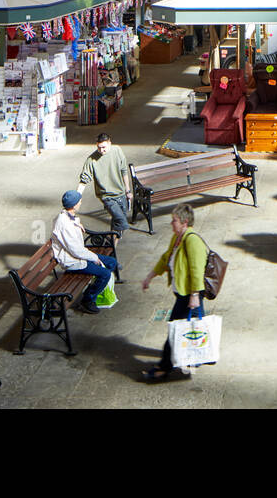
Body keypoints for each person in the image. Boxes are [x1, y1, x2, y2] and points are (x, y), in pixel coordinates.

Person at [141, 204, 209, 380]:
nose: (171, 223)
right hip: (183, 293)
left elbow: (196, 270)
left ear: (185, 222)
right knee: (194, 328)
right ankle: (198, 357)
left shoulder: (192, 241)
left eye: (175, 220)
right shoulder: (177, 237)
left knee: (175, 330)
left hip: (189, 295)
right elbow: (166, 258)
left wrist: (194, 295)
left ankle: (165, 366)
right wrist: (150, 276)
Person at [51, 190, 118, 316]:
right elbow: (75, 250)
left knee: (111, 262)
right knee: (105, 274)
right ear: (74, 204)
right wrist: (93, 258)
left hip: (78, 256)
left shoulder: (67, 216)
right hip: (72, 261)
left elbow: (72, 227)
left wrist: (78, 224)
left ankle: (95, 286)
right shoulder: (64, 224)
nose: (81, 202)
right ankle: (88, 300)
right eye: (79, 201)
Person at [79, 133, 132, 239]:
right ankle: (110, 245)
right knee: (121, 220)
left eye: (104, 147)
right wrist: (77, 197)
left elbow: (124, 171)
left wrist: (128, 190)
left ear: (109, 144)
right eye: (99, 147)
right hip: (107, 197)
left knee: (117, 226)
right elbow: (84, 180)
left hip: (120, 194)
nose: (101, 150)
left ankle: (112, 249)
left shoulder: (117, 150)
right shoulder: (92, 160)